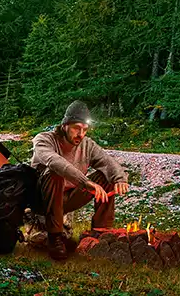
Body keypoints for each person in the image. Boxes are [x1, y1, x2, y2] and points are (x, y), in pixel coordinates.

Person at [30, 100, 129, 260]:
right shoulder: (44, 139)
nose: (81, 134)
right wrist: (85, 182)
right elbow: (55, 161)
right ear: (65, 125)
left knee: (107, 176)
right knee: (55, 172)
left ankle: (101, 233)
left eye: (85, 130)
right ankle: (55, 238)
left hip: (69, 198)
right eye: (76, 128)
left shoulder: (87, 145)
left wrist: (120, 179)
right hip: (42, 199)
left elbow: (107, 161)